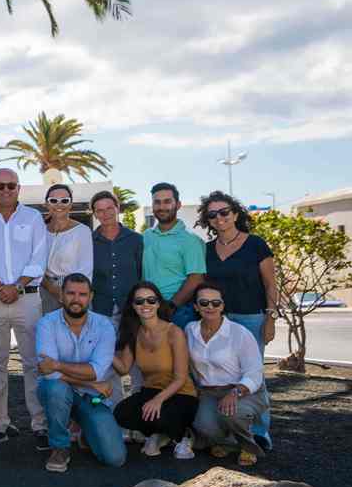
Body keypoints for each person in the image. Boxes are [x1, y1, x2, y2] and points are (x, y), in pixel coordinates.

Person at [0, 168, 48, 448]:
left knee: (33, 363)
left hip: (27, 298)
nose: (5, 190)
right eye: (0, 186)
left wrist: (16, 286)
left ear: (18, 188)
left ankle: (40, 425)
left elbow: (40, 257)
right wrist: (1, 287)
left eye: (10, 186)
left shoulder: (33, 217)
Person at [197, 191, 277, 450]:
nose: (219, 218)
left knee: (253, 374)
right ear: (207, 220)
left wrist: (270, 317)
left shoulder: (256, 244)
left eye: (224, 212)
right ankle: (230, 431)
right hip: (217, 319)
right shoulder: (207, 250)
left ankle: (260, 431)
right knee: (223, 372)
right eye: (212, 215)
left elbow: (270, 285)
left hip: (251, 318)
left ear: (235, 213)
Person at [34, 274, 127, 472]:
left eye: (82, 294)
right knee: (55, 389)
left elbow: (96, 371)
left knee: (115, 457)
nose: (76, 299)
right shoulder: (46, 324)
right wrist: (91, 383)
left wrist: (59, 366)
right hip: (66, 391)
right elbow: (47, 373)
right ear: (61, 295)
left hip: (92, 398)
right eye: (70, 293)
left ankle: (85, 428)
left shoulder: (104, 326)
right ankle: (60, 447)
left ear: (91, 296)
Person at [186, 280, 270, 467]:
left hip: (244, 391)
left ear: (223, 305)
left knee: (231, 413)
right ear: (196, 306)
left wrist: (235, 393)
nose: (210, 307)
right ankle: (230, 442)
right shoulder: (190, 330)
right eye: (204, 303)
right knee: (202, 426)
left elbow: (255, 372)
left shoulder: (239, 333)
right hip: (210, 392)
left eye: (216, 303)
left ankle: (249, 446)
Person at [110, 282, 199, 459]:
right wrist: (104, 350)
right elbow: (123, 369)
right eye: (139, 301)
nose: (146, 305)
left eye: (151, 300)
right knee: (121, 413)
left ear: (159, 303)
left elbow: (181, 378)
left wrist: (157, 400)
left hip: (181, 393)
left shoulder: (174, 332)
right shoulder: (134, 332)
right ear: (133, 306)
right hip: (151, 390)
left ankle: (184, 434)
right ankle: (162, 434)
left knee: (158, 416)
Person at [143, 182, 206, 328]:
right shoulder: (146, 236)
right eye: (157, 202)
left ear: (178, 205)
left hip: (179, 311)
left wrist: (171, 306)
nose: (162, 207)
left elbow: (196, 278)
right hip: (149, 308)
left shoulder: (190, 240)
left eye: (167, 202)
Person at [90, 191, 144, 326]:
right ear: (95, 214)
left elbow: (142, 273)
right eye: (100, 210)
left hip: (131, 309)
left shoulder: (136, 239)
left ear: (117, 208)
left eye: (109, 208)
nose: (105, 213)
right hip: (100, 310)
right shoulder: (88, 241)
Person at [41, 184, 93, 315]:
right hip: (44, 290)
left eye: (64, 201)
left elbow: (86, 269)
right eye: (53, 201)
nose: (59, 205)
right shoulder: (39, 231)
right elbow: (33, 263)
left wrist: (70, 294)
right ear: (46, 204)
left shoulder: (82, 231)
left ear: (70, 204)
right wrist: (51, 288)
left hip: (75, 292)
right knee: (48, 332)